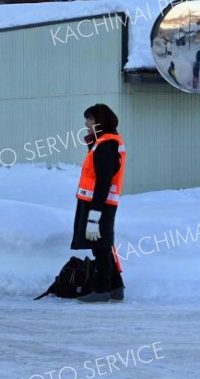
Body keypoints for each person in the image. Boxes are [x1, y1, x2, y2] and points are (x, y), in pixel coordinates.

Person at [71, 104, 126, 303]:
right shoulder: (104, 142)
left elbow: (104, 181)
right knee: (101, 244)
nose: (86, 123)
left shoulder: (106, 145)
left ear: (99, 121)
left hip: (99, 203)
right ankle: (116, 287)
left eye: (90, 120)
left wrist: (94, 213)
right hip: (99, 202)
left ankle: (102, 290)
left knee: (100, 247)